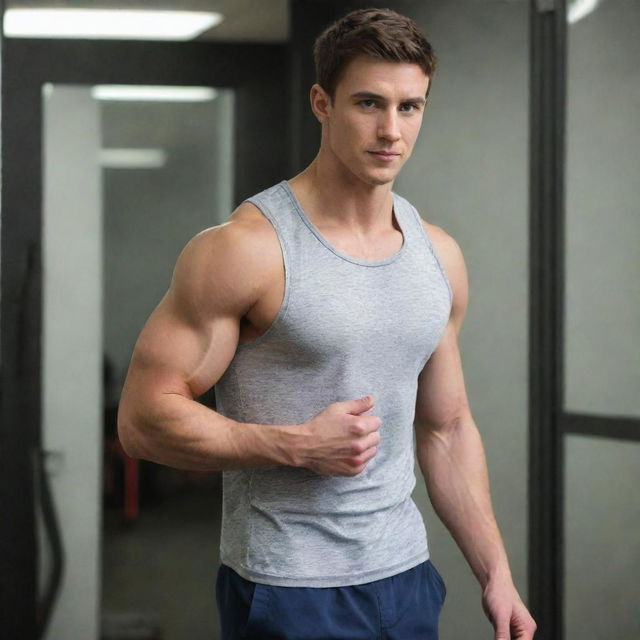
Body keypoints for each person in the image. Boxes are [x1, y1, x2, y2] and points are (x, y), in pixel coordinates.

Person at [118, 8, 536, 640]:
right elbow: (142, 421)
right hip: (289, 586)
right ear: (321, 102)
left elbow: (446, 429)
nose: (390, 130)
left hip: (406, 577)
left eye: (410, 107)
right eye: (368, 103)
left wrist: (496, 574)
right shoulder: (246, 249)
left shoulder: (439, 255)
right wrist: (292, 445)